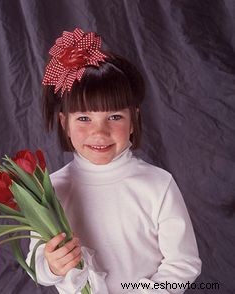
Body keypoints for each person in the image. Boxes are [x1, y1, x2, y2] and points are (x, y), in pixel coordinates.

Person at [26, 28, 201, 294]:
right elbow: (36, 263)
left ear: (134, 120)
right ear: (65, 124)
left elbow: (184, 263)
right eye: (84, 118)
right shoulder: (52, 189)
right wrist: (51, 266)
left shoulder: (157, 184)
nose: (100, 132)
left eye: (115, 117)